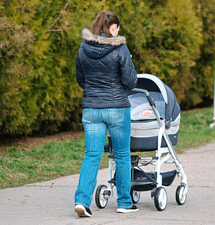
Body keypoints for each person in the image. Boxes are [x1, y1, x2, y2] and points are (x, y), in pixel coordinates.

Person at [74, 11, 138, 217]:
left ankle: (82, 201)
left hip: (91, 109)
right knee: (121, 155)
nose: (118, 30)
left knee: (92, 155)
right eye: (117, 27)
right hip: (117, 108)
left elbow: (81, 80)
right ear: (111, 28)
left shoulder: (83, 48)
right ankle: (124, 203)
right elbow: (130, 81)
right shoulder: (120, 47)